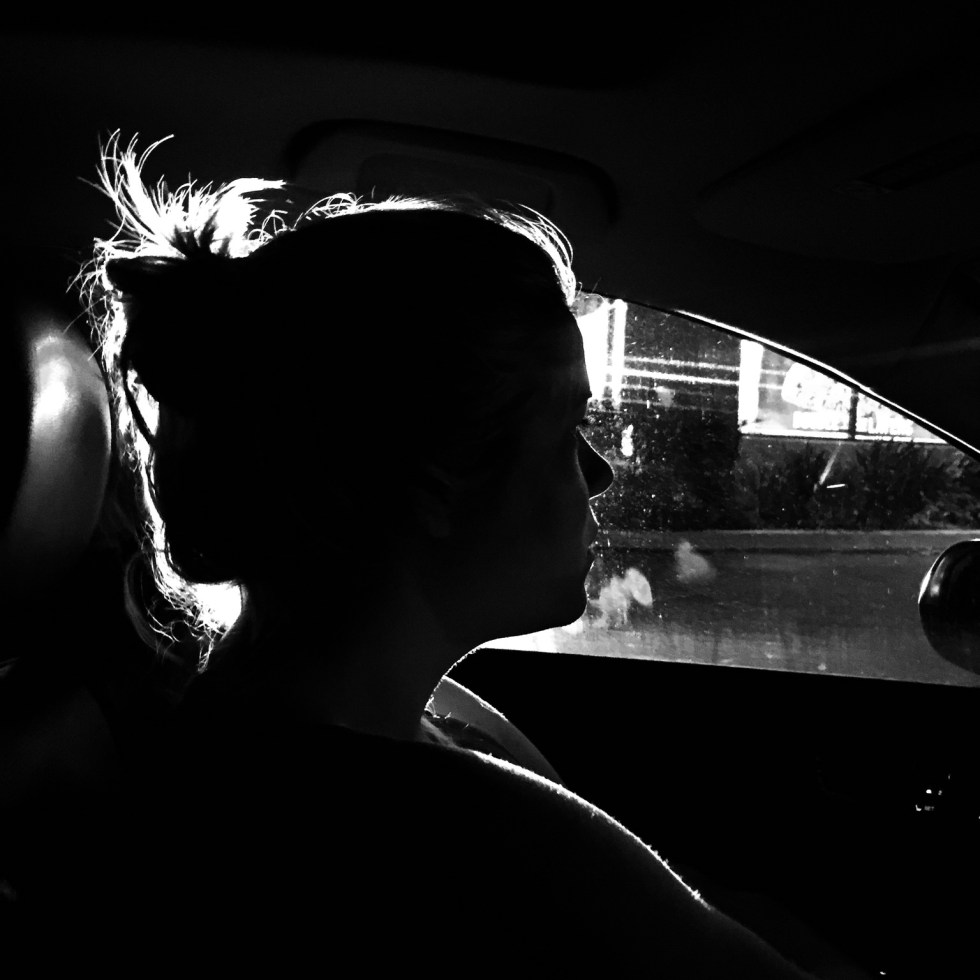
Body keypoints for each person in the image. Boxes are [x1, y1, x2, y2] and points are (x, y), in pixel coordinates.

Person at [36, 134, 843, 977]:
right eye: (567, 428)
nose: (600, 473)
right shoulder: (461, 830)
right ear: (431, 481)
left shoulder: (368, 727)